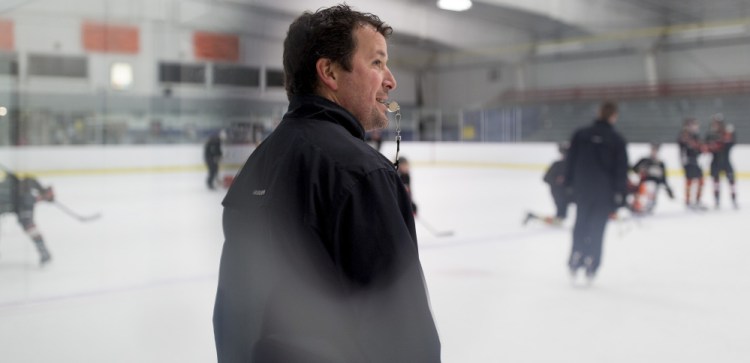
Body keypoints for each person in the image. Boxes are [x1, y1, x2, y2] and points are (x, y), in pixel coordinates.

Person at [213, 5, 441, 363]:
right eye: (377, 63)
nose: (391, 80)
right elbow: (405, 338)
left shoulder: (257, 166)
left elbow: (233, 320)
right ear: (329, 72)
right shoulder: (361, 174)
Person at [564, 101, 628, 283]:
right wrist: (619, 194)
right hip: (604, 193)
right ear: (613, 116)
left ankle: (576, 256)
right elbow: (620, 169)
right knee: (597, 228)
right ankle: (592, 260)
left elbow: (570, 162)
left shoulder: (581, 134)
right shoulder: (616, 139)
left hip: (582, 189)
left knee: (581, 223)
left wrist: (568, 186)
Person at [0, 171, 55, 265]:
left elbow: (26, 181)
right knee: (29, 225)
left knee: (29, 226)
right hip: (18, 202)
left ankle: (43, 251)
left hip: (19, 201)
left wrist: (42, 194)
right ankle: (43, 251)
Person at [524, 142, 572, 226]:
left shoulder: (571, 165)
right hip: (559, 193)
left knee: (562, 217)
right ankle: (533, 216)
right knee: (560, 218)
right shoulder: (557, 165)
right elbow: (545, 178)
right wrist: (557, 181)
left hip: (568, 193)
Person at [704, 113, 738, 209]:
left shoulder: (727, 134)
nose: (716, 125)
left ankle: (734, 199)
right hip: (715, 162)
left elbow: (731, 144)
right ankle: (717, 201)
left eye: (718, 123)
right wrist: (712, 146)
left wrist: (729, 136)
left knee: (731, 181)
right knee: (716, 182)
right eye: (715, 123)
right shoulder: (710, 134)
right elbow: (706, 147)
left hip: (726, 161)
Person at [630, 143, 674, 214]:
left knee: (650, 187)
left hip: (654, 185)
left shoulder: (660, 164)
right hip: (642, 183)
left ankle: (647, 206)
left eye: (656, 150)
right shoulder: (644, 160)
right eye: (653, 149)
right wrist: (641, 169)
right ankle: (637, 205)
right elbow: (634, 169)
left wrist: (669, 190)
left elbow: (664, 179)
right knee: (643, 189)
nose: (654, 152)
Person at [678, 118, 706, 209]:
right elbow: (682, 148)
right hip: (689, 161)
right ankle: (688, 201)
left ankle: (697, 200)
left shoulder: (696, 136)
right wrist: (683, 161)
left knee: (700, 181)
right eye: (693, 125)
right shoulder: (684, 136)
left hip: (696, 161)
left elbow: (700, 148)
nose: (696, 127)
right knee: (689, 181)